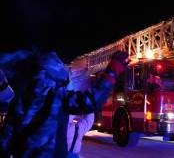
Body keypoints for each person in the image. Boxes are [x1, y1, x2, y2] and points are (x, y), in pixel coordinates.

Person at [0, 50, 129, 157]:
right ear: (56, 76)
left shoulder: (19, 100)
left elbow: (5, 140)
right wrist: (113, 70)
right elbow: (92, 100)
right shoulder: (58, 97)